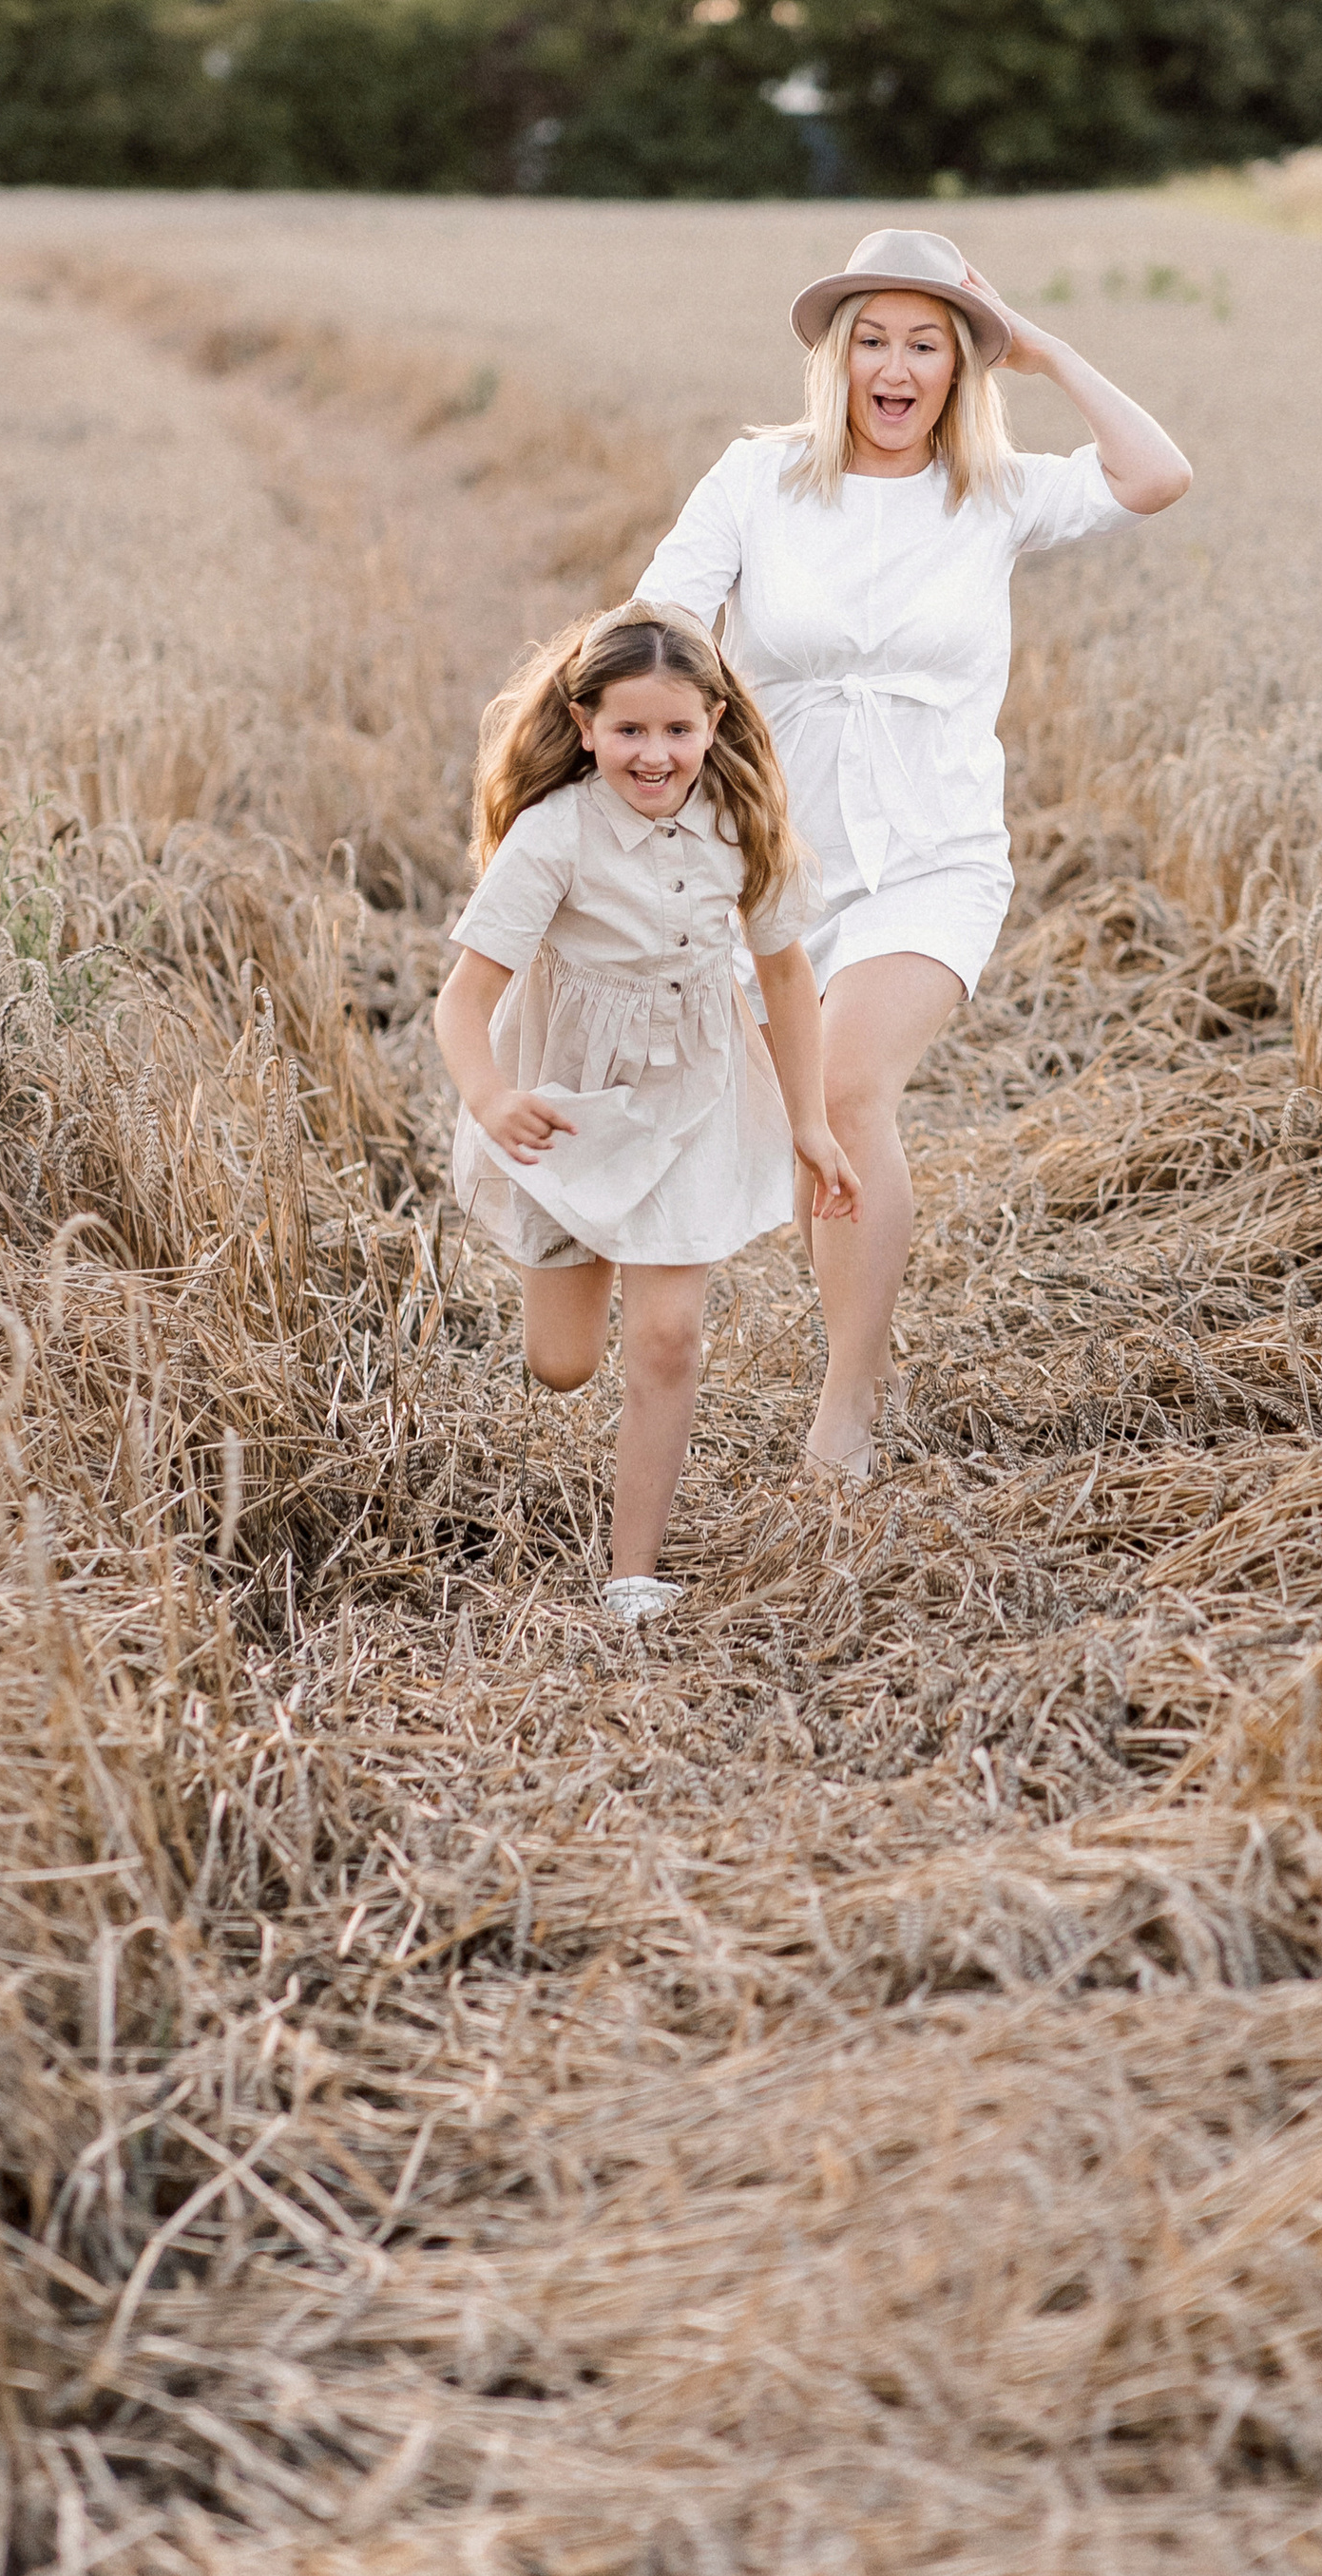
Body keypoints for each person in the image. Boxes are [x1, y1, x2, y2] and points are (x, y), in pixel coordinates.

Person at [640, 225, 1192, 1479]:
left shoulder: (995, 490)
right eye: (873, 339)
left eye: (927, 343)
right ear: (837, 357)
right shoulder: (755, 481)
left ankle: (851, 1395)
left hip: (938, 852)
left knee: (846, 1089)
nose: (896, 366)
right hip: (775, 861)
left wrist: (1042, 347)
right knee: (805, 1129)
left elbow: (1157, 475)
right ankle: (843, 1319)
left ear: (959, 367)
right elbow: (661, 616)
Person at [433, 601, 861, 1624]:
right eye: (628, 730)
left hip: (695, 1096)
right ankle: (569, 1279)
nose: (654, 753)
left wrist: (808, 1121)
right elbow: (463, 1001)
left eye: (676, 729)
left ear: (714, 720)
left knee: (667, 1336)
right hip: (565, 1110)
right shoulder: (551, 838)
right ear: (584, 727)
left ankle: (633, 1572)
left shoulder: (739, 823)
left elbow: (787, 978)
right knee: (563, 1363)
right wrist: (492, 1098)